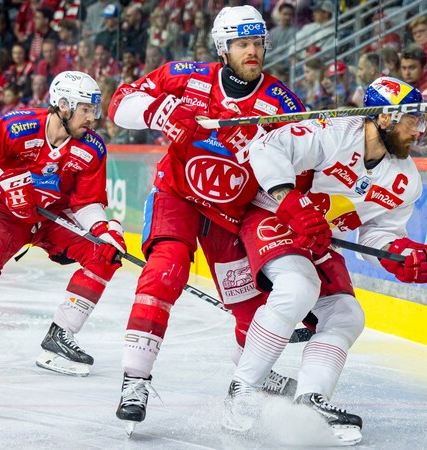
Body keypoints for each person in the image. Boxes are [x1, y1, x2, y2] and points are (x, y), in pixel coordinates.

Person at [107, 5, 308, 433]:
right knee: (164, 274)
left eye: (257, 43)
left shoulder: (280, 103)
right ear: (223, 48)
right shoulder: (188, 76)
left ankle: (255, 372)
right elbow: (120, 103)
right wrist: (160, 112)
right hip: (177, 196)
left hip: (230, 217)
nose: (252, 51)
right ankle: (135, 381)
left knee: (250, 312)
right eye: (241, 44)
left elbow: (302, 171)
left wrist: (257, 153)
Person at [228, 76, 427, 445]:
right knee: (298, 287)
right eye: (411, 120)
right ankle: (242, 389)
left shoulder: (406, 179)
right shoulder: (336, 132)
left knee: (347, 315)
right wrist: (290, 202)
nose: (418, 130)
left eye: (421, 121)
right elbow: (266, 148)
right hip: (275, 216)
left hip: (319, 238)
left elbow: (377, 232)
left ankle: (312, 398)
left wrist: (401, 254)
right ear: (385, 118)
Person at [0, 71, 126, 378]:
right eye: (86, 109)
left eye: (94, 110)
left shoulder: (92, 147)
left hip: (50, 220)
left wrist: (101, 230)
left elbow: (86, 202)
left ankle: (59, 336)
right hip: (2, 215)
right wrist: (1, 180)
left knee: (103, 253)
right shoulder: (18, 127)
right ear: (63, 105)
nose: (92, 118)